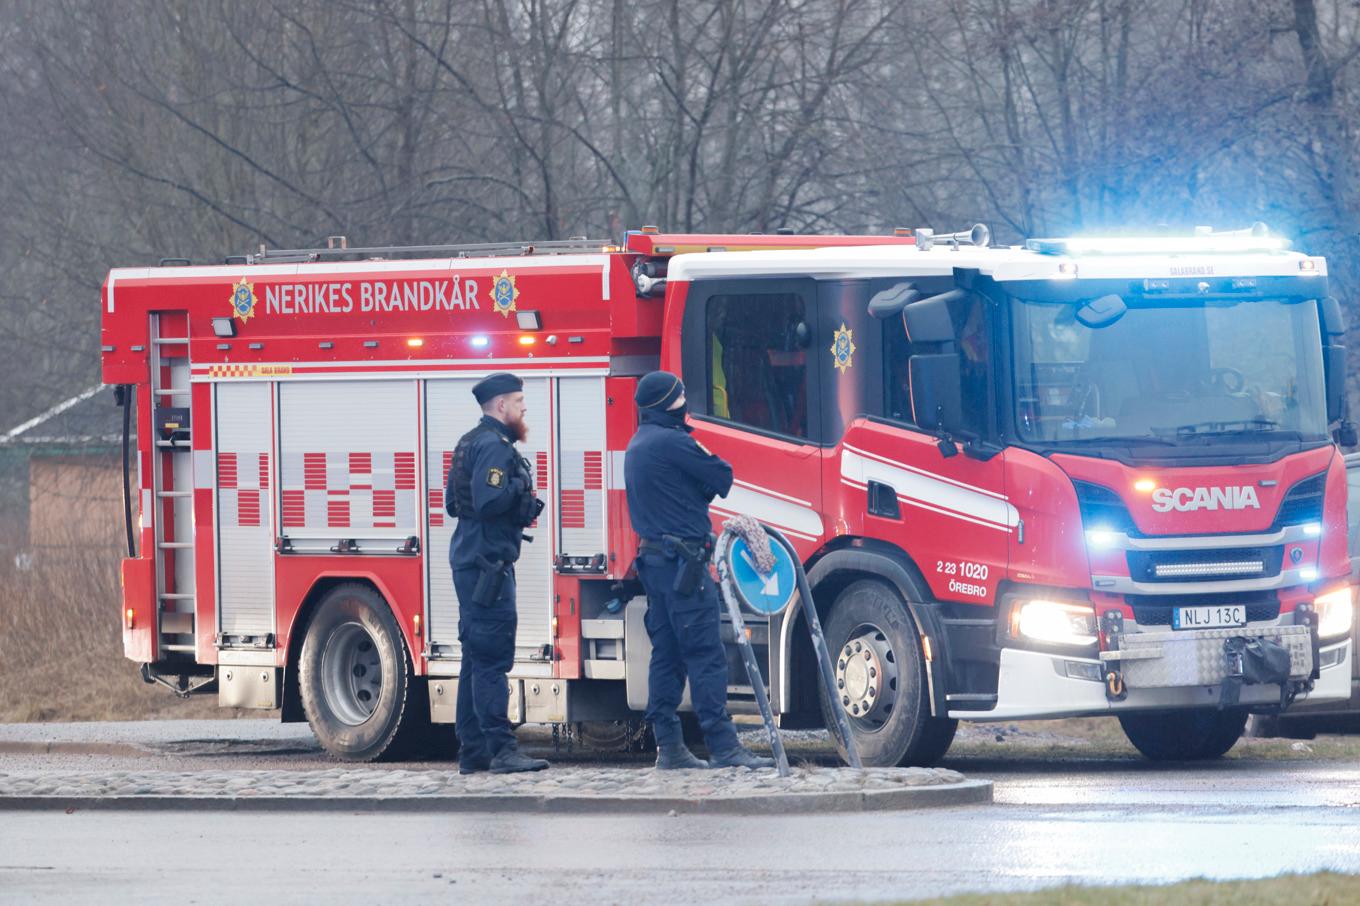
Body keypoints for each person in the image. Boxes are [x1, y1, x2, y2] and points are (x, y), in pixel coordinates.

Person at [624, 370, 775, 771]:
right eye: (681, 396)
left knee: (667, 656)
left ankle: (669, 746)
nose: (685, 401)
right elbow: (722, 476)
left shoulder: (639, 443)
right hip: (683, 568)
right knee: (706, 655)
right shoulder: (674, 441)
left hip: (656, 565)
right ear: (671, 402)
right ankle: (725, 747)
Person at [446, 372, 549, 774]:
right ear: (501, 406)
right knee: (491, 659)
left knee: (475, 658)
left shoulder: (471, 442)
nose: (524, 408)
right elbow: (488, 501)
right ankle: (503, 751)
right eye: (519, 401)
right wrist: (520, 496)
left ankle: (474, 752)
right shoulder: (494, 447)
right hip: (487, 565)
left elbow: (457, 504)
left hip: (473, 560)